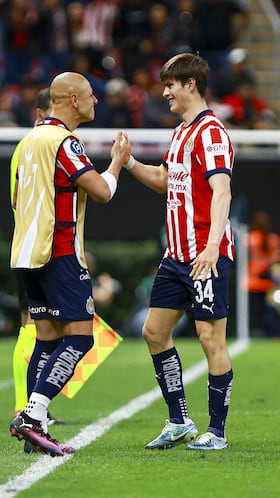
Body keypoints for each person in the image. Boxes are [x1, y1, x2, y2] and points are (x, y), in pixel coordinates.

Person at [9, 71, 130, 456]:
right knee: (79, 337)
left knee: (45, 339)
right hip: (58, 250)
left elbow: (15, 198)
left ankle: (36, 429)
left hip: (27, 253)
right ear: (73, 101)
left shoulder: (27, 141)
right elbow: (102, 192)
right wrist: (117, 162)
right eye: (91, 96)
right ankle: (33, 415)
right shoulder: (64, 141)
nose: (96, 101)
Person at [123, 52, 235, 450]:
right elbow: (165, 180)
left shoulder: (211, 132)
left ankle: (217, 432)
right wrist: (129, 162)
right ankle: (179, 421)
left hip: (206, 254)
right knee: (154, 332)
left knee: (210, 339)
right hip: (176, 256)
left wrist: (211, 247)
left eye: (170, 84)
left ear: (191, 84)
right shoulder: (180, 133)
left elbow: (222, 191)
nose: (165, 91)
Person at [10, 88, 66, 433]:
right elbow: (19, 198)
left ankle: (36, 407)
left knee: (46, 331)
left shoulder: (35, 144)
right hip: (34, 246)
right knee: (31, 329)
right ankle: (25, 405)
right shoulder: (32, 144)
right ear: (39, 114)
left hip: (35, 245)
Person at [244, 211, 280, 337]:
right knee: (269, 310)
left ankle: (256, 331)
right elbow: (275, 259)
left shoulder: (250, 238)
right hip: (269, 283)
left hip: (253, 282)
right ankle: (271, 332)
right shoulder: (274, 239)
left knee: (255, 311)